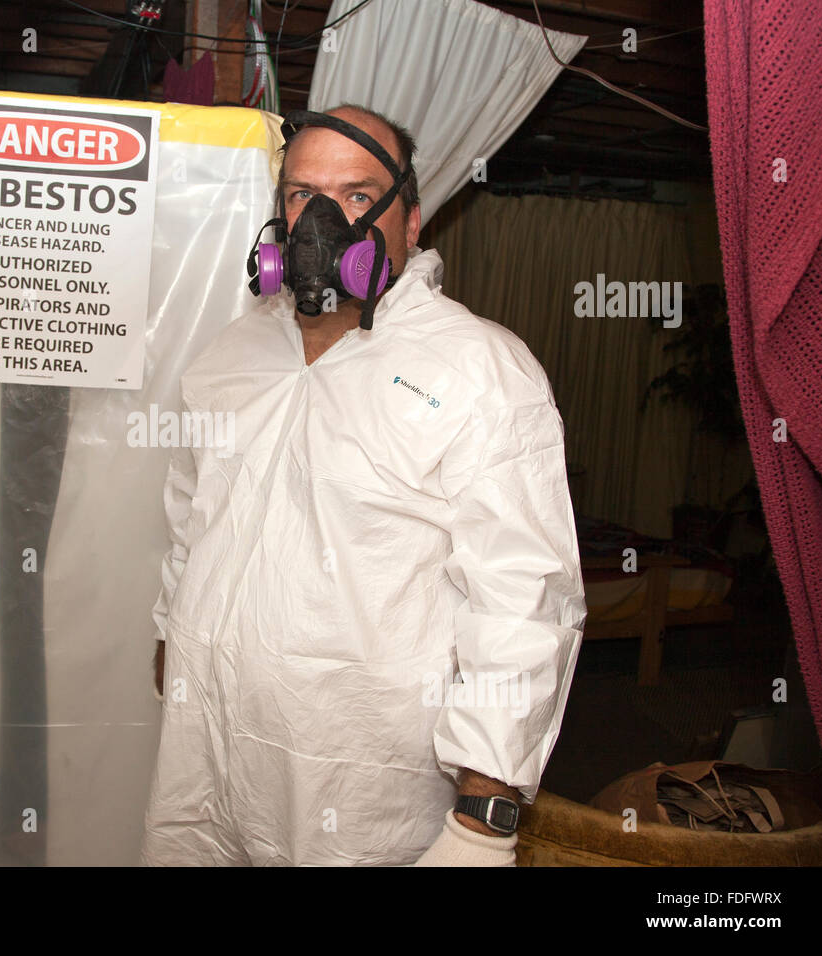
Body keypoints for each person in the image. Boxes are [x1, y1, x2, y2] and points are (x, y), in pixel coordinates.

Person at [142, 104, 586, 866]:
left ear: (409, 222)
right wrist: (170, 632)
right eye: (301, 195)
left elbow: (523, 602)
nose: (321, 219)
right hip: (203, 761)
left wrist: (484, 817)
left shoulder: (478, 370)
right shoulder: (231, 353)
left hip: (363, 794)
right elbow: (190, 519)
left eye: (355, 196)